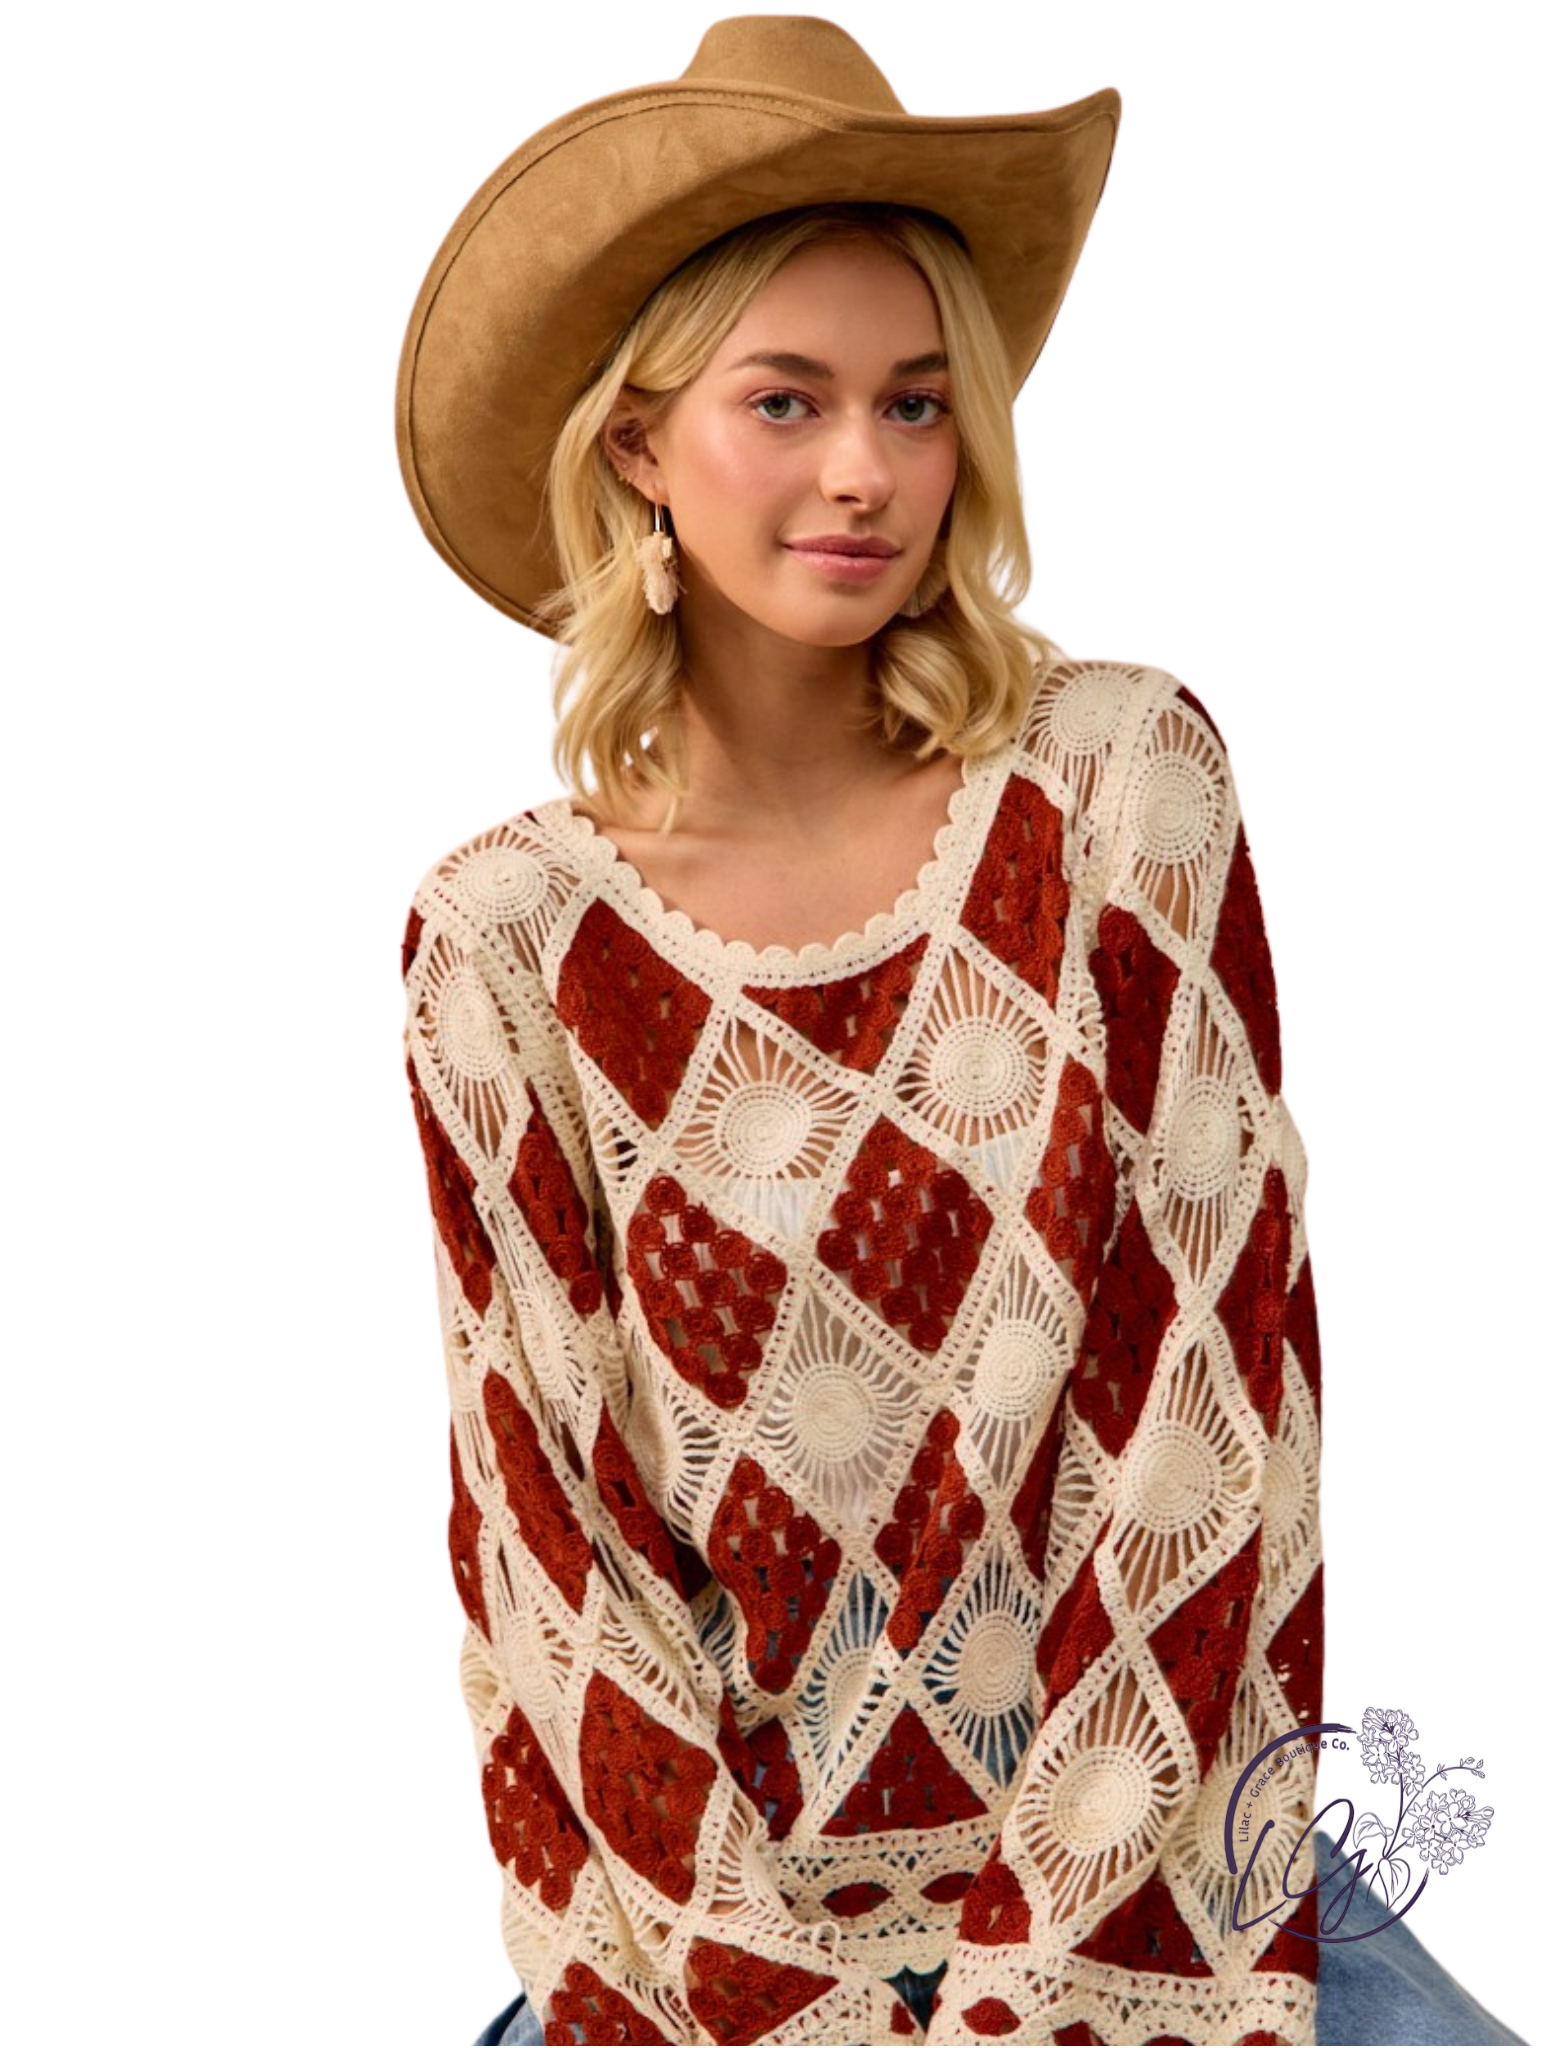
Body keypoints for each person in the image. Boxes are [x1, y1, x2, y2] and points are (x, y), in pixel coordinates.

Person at [396, 19, 1524, 2048]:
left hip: (1168, 1913)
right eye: (786, 399)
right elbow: (554, 1560)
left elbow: (1209, 1409)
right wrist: (788, 2012)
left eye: (914, 403)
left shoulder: (1112, 792)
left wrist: (1035, 1998)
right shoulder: (508, 942)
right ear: (636, 445)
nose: (867, 470)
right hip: (721, 1973)